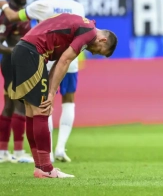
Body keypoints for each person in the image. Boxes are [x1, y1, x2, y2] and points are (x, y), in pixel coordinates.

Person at [0, 10, 117, 178]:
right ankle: (47, 168)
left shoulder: (84, 26)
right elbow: (65, 61)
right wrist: (51, 92)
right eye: (99, 50)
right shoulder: (89, 33)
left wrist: (50, 88)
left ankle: (40, 167)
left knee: (32, 112)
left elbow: (60, 60)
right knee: (42, 110)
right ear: (102, 39)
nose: (93, 52)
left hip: (23, 51)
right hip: (32, 54)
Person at [0, 0, 85, 163]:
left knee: (41, 104)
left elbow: (14, 16)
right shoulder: (78, 7)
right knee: (68, 101)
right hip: (70, 59)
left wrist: (3, 4)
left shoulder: (42, 4)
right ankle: (60, 148)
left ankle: (42, 151)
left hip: (45, 59)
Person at [0, 0, 33, 163]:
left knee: (10, 105)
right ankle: (19, 153)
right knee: (20, 104)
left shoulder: (22, 13)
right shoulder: (7, 15)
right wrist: (15, 50)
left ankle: (3, 151)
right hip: (13, 64)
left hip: (19, 63)